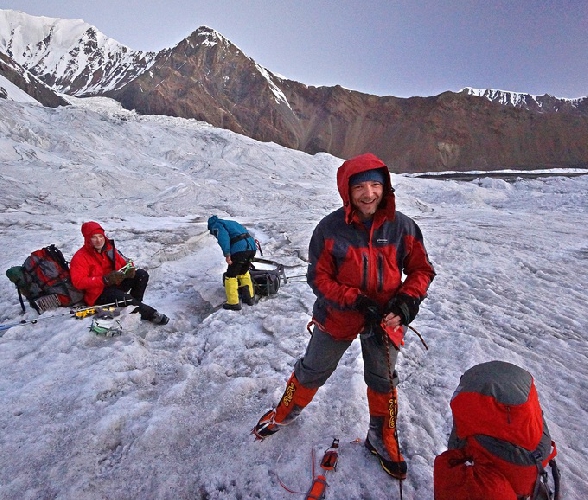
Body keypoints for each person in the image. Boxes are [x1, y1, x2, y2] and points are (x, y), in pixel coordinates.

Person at [252, 153, 435, 480]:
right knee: (312, 370)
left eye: (375, 185)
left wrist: (407, 302)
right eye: (360, 186)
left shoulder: (402, 227)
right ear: (346, 191)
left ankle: (380, 436)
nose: (369, 194)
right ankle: (285, 412)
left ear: (386, 187)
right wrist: (355, 300)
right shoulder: (330, 229)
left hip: (385, 320)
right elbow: (318, 278)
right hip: (339, 316)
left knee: (383, 379)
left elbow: (421, 269)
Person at [70, 221, 169, 325]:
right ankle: (152, 314)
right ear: (87, 239)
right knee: (125, 298)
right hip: (98, 293)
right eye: (94, 237)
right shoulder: (80, 257)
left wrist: (129, 269)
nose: (99, 240)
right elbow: (78, 282)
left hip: (115, 284)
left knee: (141, 274)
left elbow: (123, 263)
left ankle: (135, 307)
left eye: (100, 236)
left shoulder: (109, 249)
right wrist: (104, 280)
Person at [207, 215, 257, 310]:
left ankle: (233, 302)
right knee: (243, 272)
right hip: (251, 248)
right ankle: (249, 298)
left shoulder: (216, 225)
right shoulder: (231, 223)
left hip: (240, 250)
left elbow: (223, 238)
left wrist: (227, 254)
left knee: (231, 275)